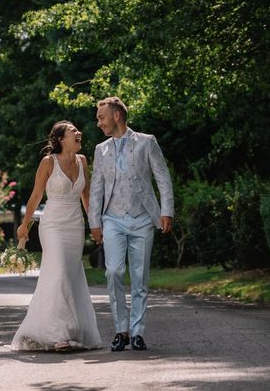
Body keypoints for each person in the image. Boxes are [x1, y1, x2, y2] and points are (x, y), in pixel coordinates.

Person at [89, 97, 174, 352]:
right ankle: (120, 330)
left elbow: (163, 177)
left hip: (143, 219)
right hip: (112, 219)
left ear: (117, 116)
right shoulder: (101, 149)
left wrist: (166, 211)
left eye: (101, 117)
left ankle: (136, 333)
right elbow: (96, 189)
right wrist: (94, 221)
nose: (98, 122)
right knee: (113, 271)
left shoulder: (147, 142)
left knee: (139, 277)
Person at [11, 121, 103, 352]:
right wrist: (25, 225)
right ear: (62, 139)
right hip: (52, 224)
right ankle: (58, 335)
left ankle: (70, 331)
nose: (79, 133)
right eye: (74, 131)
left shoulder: (82, 161)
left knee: (70, 276)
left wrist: (95, 225)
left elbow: (87, 196)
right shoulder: (48, 162)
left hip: (75, 225)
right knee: (60, 271)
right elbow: (36, 195)